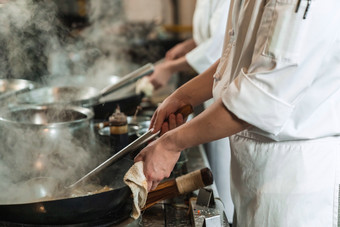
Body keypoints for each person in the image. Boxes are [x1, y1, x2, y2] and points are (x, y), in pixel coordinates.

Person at [134, 0, 340, 226]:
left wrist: (170, 144)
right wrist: (183, 97)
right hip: (253, 167)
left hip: (292, 180)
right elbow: (240, 58)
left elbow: (260, 99)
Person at [147, 0, 229, 89]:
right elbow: (211, 33)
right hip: (213, 84)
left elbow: (221, 44)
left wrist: (169, 68)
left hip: (227, 85)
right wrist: (190, 45)